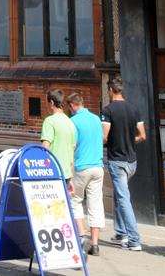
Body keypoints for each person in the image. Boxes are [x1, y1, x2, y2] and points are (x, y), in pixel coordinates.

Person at [101, 76, 145, 252]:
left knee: (123, 198)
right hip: (132, 161)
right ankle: (120, 233)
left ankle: (134, 240)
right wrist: (129, 139)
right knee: (121, 196)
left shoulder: (108, 110)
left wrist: (107, 141)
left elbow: (105, 136)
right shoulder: (134, 109)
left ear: (111, 91)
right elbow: (142, 135)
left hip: (117, 160)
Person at [68, 92, 105, 256]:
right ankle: (95, 244)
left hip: (81, 167)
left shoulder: (73, 121)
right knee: (95, 204)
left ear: (72, 106)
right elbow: (103, 138)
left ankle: (82, 237)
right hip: (98, 166)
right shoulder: (96, 119)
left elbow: (72, 145)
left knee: (75, 200)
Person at [41, 89, 76, 185]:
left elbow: (45, 148)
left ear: (51, 102)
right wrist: (71, 177)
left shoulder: (49, 121)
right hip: (67, 173)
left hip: (52, 172)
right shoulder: (70, 122)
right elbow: (72, 150)